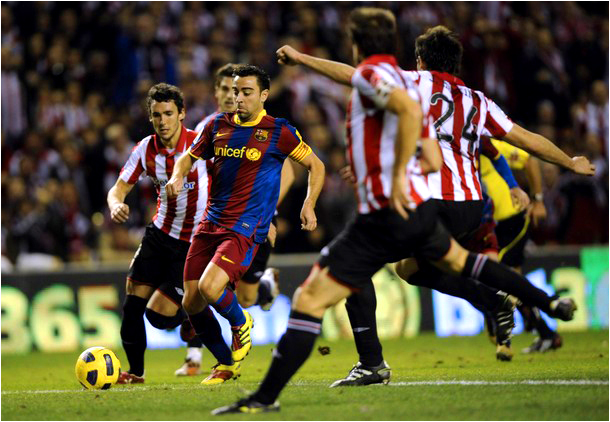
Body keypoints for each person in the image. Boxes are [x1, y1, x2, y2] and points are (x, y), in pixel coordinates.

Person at [213, 8, 583, 414]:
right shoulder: (476, 99)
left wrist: (302, 59)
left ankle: (344, 371)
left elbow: (361, 82)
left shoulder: (404, 80)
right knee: (427, 265)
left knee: (320, 291)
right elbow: (524, 138)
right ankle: (541, 302)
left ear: (418, 59)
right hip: (469, 206)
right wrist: (569, 162)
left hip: (405, 205)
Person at [167, 64, 325, 385]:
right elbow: (188, 157)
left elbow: (315, 165)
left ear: (264, 95)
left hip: (244, 228)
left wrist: (308, 203)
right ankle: (226, 364)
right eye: (235, 91)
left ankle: (241, 324)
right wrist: (176, 175)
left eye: (246, 92)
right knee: (191, 302)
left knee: (211, 288)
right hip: (210, 224)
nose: (238, 97)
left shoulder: (279, 131)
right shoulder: (216, 125)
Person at [107, 83, 209, 384]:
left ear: (182, 114)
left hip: (193, 244)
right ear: (150, 117)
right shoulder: (145, 149)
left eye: (168, 113)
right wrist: (115, 204)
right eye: (156, 115)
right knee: (132, 306)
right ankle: (135, 372)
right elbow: (118, 189)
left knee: (159, 317)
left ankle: (191, 314)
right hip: (160, 234)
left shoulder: (201, 144)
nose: (163, 121)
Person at [479, 137, 562, 354]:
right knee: (512, 282)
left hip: (513, 220)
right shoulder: (458, 154)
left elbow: (528, 160)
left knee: (499, 275)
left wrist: (538, 200)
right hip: (491, 227)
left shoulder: (489, 145)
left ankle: (545, 325)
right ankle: (546, 333)